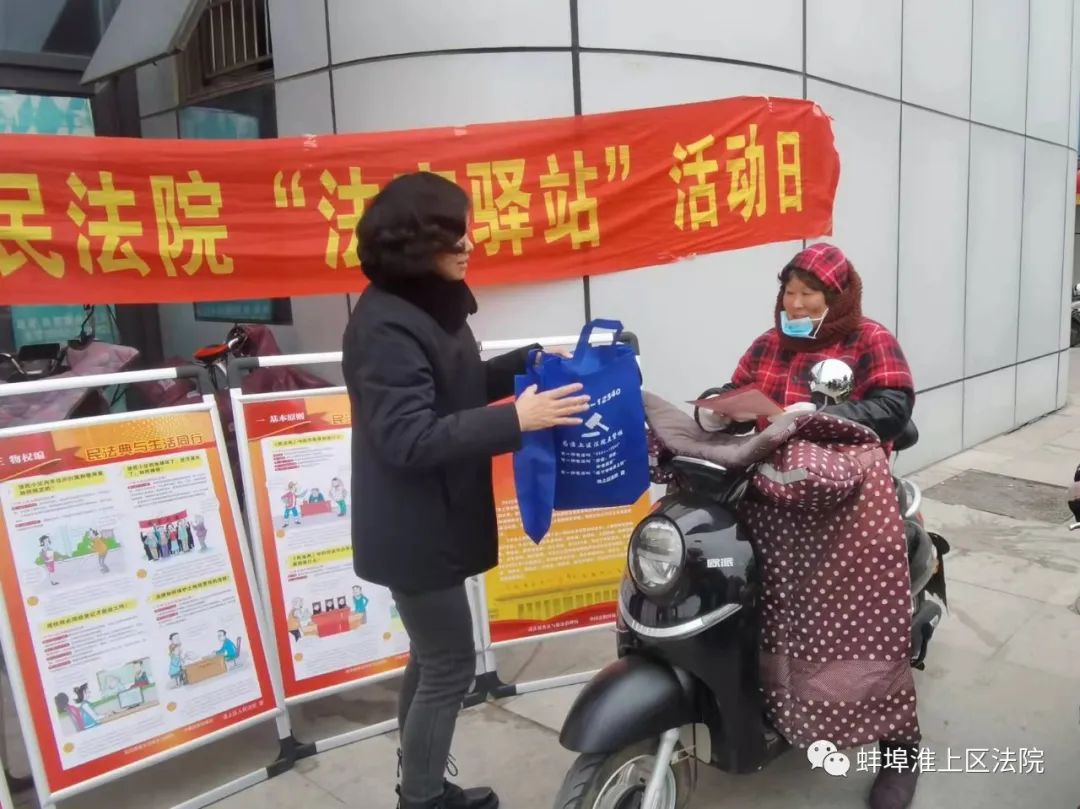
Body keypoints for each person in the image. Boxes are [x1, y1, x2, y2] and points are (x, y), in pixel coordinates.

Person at [343, 172, 590, 809]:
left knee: (432, 658)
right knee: (449, 663)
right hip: (412, 528)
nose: (470, 245)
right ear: (414, 243)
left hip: (435, 517)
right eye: (455, 236)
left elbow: (454, 384)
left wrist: (528, 362)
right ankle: (423, 798)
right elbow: (406, 436)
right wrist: (516, 420)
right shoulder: (384, 326)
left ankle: (418, 781)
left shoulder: (427, 305)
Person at [696, 244, 920, 809]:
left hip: (848, 501)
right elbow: (738, 390)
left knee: (865, 625)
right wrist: (718, 408)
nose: (793, 304)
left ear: (836, 298)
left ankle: (900, 748)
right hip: (771, 493)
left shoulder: (869, 339)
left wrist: (817, 416)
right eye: (788, 292)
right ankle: (786, 708)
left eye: (807, 294)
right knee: (765, 610)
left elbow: (894, 408)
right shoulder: (768, 343)